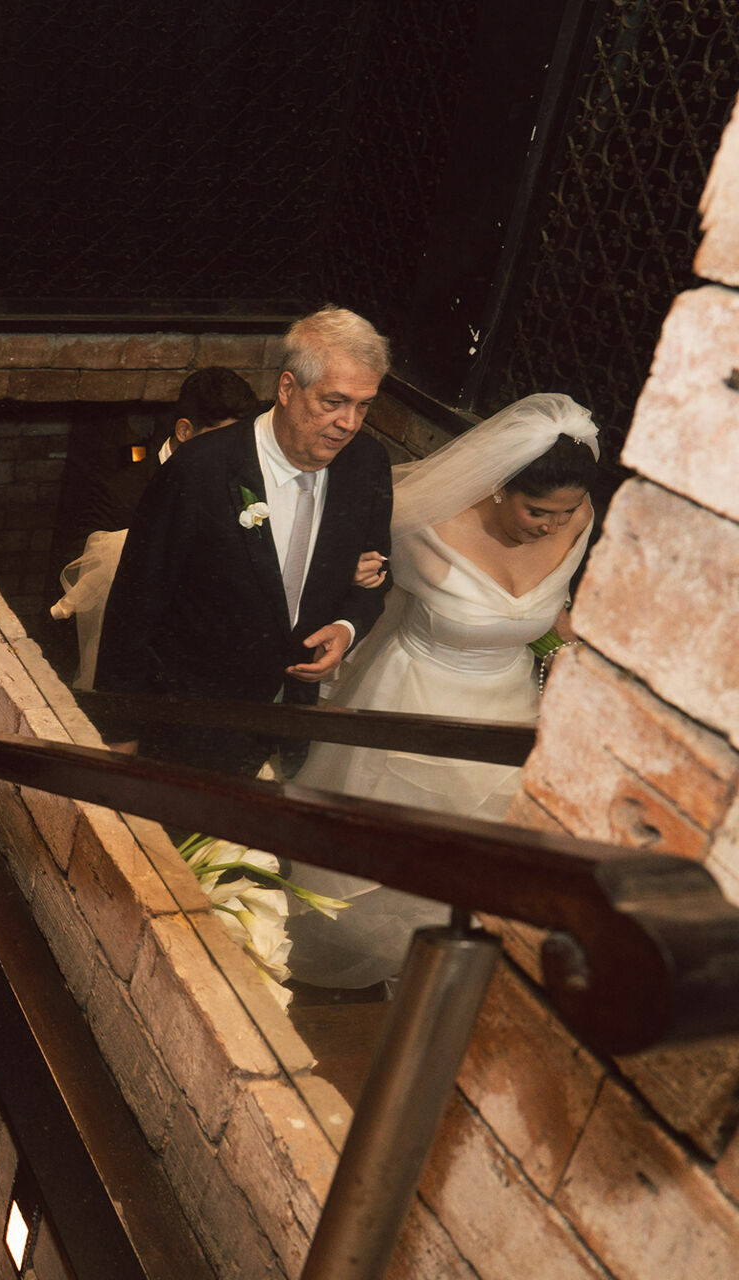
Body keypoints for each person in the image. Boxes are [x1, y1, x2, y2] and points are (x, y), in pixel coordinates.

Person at [286, 393, 600, 987]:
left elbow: (554, 610)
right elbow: (340, 573)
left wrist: (561, 649)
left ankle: (436, 976)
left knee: (478, 858)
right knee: (388, 850)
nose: (555, 526)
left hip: (507, 710)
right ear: (500, 486)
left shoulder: (575, 521)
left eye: (570, 511)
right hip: (412, 697)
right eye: (539, 511)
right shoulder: (427, 525)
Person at [94, 306, 395, 776]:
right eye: (333, 402)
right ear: (288, 388)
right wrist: (119, 733)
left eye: (363, 405)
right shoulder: (199, 470)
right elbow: (135, 604)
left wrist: (347, 626)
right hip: (189, 727)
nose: (349, 423)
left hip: (289, 723)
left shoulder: (367, 465)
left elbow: (376, 571)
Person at [53, 367, 262, 688]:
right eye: (223, 438)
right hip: (134, 660)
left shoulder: (243, 487)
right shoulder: (120, 490)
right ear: (184, 431)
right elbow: (76, 573)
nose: (233, 451)